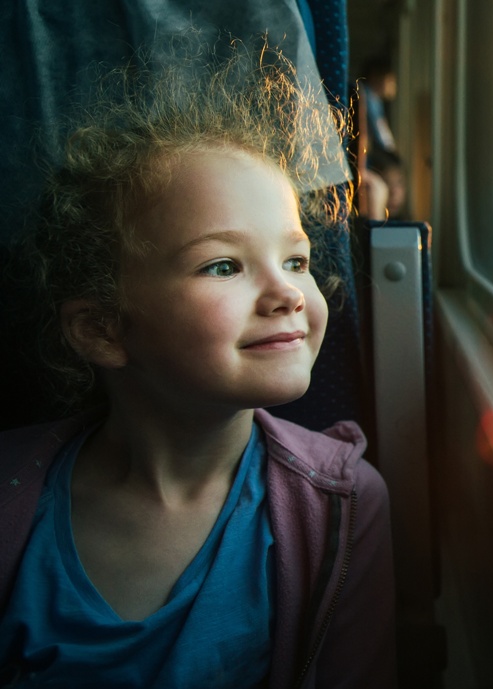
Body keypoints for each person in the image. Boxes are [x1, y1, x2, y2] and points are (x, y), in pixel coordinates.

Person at [0, 45, 396, 689]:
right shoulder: (12, 496)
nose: (289, 293)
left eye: (295, 261)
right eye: (224, 266)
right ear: (103, 329)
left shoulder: (344, 507)